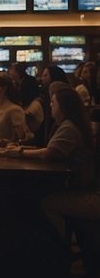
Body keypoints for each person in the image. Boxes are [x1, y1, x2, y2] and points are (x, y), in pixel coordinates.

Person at [32, 88, 100, 260]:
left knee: (48, 203)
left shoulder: (69, 127)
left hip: (92, 195)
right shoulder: (73, 124)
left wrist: (18, 153)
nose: (50, 105)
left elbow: (48, 154)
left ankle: (66, 247)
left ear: (63, 106)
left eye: (53, 102)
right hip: (88, 189)